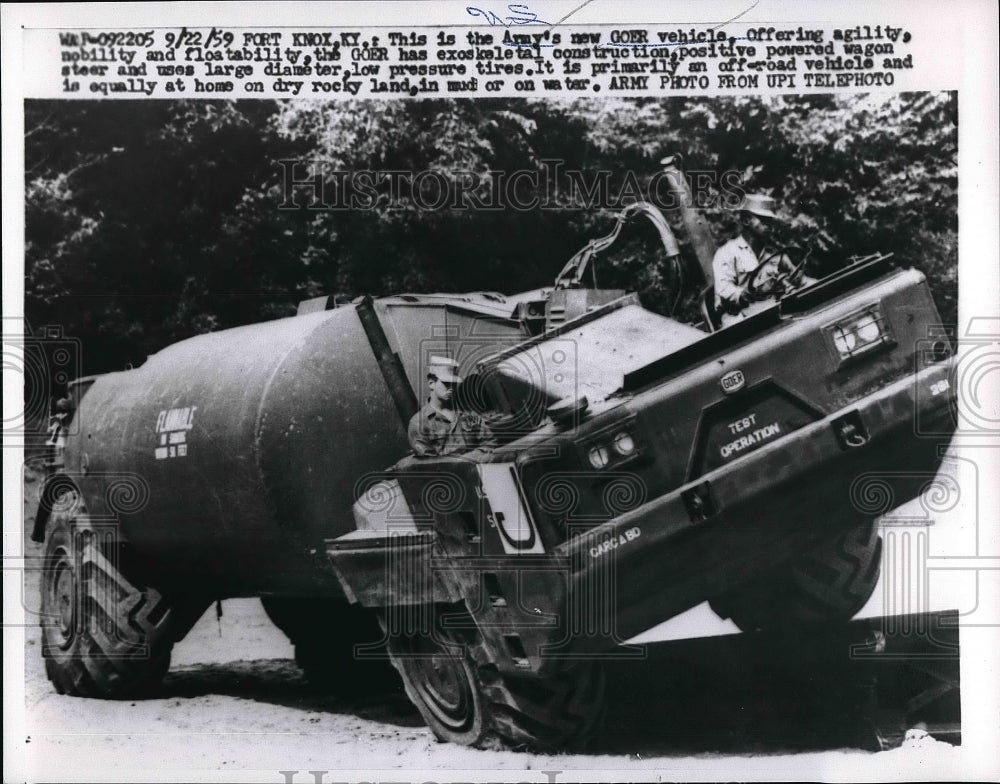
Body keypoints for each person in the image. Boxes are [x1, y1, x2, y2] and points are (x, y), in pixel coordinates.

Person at [712, 194, 816, 327]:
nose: (769, 225)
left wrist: (823, 288)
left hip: (773, 313)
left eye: (770, 221)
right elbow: (724, 290)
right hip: (740, 322)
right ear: (746, 221)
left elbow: (801, 280)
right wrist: (743, 295)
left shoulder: (774, 254)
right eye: (762, 220)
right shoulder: (727, 253)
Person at [407, 356, 496, 458]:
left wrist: (473, 459)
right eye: (446, 383)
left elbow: (490, 441)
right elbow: (430, 465)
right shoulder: (418, 424)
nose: (451, 388)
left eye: (454, 384)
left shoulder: (467, 412)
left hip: (479, 468)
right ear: (431, 383)